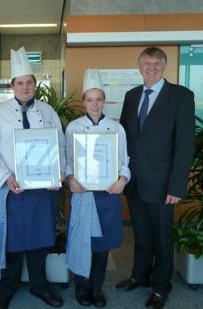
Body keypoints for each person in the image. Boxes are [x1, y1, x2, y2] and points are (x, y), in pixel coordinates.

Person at [0, 47, 65, 309]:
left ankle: (40, 286)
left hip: (41, 190)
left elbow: (59, 146)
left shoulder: (48, 111)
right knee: (11, 241)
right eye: (20, 83)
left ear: (35, 84)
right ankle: (7, 289)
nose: (25, 87)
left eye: (29, 82)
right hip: (11, 188)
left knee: (41, 240)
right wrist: (5, 177)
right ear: (12, 85)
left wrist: (57, 173)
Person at [116, 47, 195, 308]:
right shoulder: (131, 95)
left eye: (157, 63)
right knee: (141, 234)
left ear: (164, 66)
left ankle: (162, 286)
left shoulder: (181, 96)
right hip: (135, 181)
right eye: (147, 63)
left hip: (163, 185)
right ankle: (140, 276)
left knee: (162, 238)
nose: (152, 67)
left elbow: (185, 145)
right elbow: (126, 138)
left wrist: (177, 185)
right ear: (139, 67)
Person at [64, 69, 130, 308]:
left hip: (107, 195)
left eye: (98, 99)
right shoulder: (73, 127)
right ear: (83, 101)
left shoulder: (116, 128)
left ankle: (96, 287)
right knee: (83, 241)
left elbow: (124, 162)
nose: (94, 104)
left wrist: (122, 179)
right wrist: (70, 178)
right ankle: (82, 288)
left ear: (105, 101)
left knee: (102, 245)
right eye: (89, 99)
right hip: (83, 194)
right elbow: (67, 161)